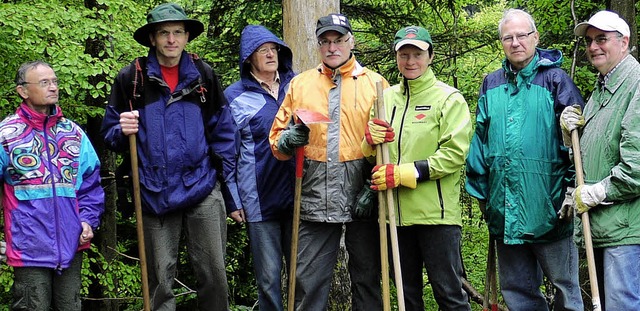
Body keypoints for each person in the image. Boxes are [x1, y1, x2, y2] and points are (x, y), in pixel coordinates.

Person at [100, 3, 239, 310]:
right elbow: (110, 134)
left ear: (187, 37)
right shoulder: (131, 79)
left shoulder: (203, 76)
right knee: (159, 279)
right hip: (152, 191)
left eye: (178, 32)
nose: (171, 40)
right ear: (153, 39)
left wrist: (227, 187)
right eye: (164, 33)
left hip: (201, 185)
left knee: (214, 273)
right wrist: (122, 130)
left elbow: (224, 133)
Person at [465, 9, 584, 311]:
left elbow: (578, 145)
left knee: (565, 290)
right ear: (502, 42)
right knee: (518, 292)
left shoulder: (556, 80)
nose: (515, 42)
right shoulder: (491, 84)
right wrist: (483, 196)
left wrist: (573, 189)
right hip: (505, 210)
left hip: (551, 207)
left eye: (522, 35)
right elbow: (480, 142)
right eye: (508, 37)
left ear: (535, 38)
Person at [269, 13, 388, 311]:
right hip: (313, 195)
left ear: (351, 41)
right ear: (319, 45)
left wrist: (372, 189)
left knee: (367, 279)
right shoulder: (300, 84)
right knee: (308, 282)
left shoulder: (376, 84)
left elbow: (392, 145)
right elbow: (277, 139)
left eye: (339, 40)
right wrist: (286, 141)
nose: (332, 47)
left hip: (363, 195)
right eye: (326, 41)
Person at [363, 25, 473, 310]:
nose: (410, 61)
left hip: (436, 216)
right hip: (394, 216)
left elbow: (454, 154)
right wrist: (369, 142)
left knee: (449, 294)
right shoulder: (384, 99)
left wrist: (405, 173)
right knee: (406, 296)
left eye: (417, 54)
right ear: (397, 57)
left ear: (430, 56)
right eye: (404, 55)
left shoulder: (448, 98)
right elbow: (372, 155)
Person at [0, 60, 105, 310]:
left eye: (55, 82)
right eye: (44, 82)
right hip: (28, 248)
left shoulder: (73, 134)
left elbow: (91, 185)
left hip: (71, 244)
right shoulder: (6, 134)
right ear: (23, 91)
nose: (53, 88)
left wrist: (88, 221)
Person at [561, 10, 640, 310]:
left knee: (622, 306)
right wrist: (571, 137)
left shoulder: (635, 86)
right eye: (590, 41)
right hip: (608, 226)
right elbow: (592, 157)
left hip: (628, 229)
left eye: (602, 39)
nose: (593, 47)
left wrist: (595, 193)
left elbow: (636, 168)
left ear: (625, 42)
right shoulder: (602, 89)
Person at [223, 25, 296, 311]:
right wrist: (233, 199)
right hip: (258, 197)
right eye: (262, 50)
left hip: (300, 193)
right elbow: (228, 152)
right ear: (248, 58)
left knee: (302, 277)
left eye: (273, 48)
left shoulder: (297, 85)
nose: (270, 54)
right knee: (268, 281)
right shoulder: (234, 96)